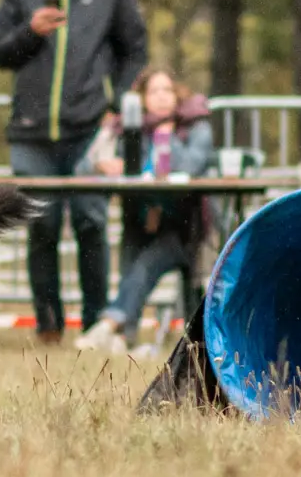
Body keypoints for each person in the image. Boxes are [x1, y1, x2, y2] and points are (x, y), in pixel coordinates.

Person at [0, 0, 148, 343]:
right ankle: (48, 326)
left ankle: (96, 324)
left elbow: (135, 49)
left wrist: (118, 101)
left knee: (91, 223)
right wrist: (29, 32)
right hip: (31, 131)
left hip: (89, 129)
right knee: (41, 223)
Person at [75, 69, 214, 358]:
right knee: (135, 251)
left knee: (145, 263)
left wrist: (167, 140)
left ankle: (109, 324)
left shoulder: (194, 125)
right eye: (154, 91)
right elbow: (83, 168)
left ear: (177, 94)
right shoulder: (127, 127)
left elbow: (192, 167)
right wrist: (104, 165)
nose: (162, 97)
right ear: (141, 99)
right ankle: (124, 337)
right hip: (139, 221)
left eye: (167, 90)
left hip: (184, 227)